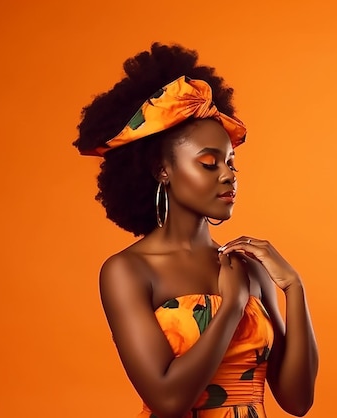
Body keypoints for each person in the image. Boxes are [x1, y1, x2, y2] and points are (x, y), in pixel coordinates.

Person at [73, 43, 318, 418]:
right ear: (161, 170)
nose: (228, 174)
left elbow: (297, 401)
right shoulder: (128, 271)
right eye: (208, 162)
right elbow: (168, 401)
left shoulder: (249, 266)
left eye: (231, 162)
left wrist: (294, 289)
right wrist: (231, 307)